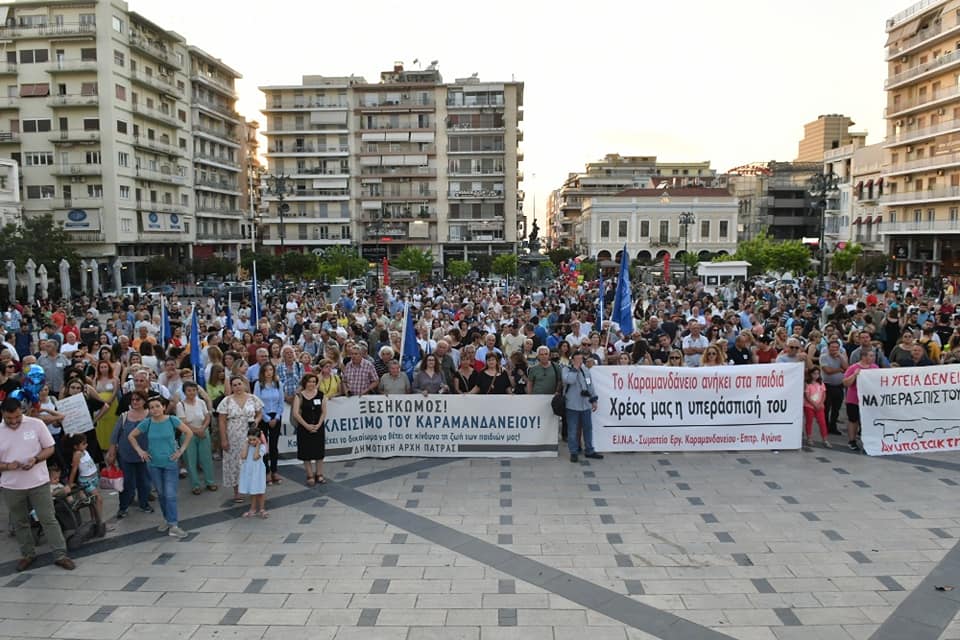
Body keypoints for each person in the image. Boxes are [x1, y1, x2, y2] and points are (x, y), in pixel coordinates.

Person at [0, 396, 76, 571]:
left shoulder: (36, 424)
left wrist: (35, 459)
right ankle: (28, 554)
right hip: (11, 485)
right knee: (20, 522)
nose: (13, 422)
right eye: (9, 418)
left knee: (48, 518)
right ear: (2, 414)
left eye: (17, 417)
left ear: (22, 411)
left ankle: (60, 555)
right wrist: (7, 466)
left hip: (38, 482)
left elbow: (50, 448)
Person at [127, 395, 193, 538]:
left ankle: (174, 525)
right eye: (151, 407)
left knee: (170, 494)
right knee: (162, 494)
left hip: (170, 462)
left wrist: (181, 451)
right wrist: (140, 451)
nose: (155, 409)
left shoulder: (172, 420)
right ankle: (167, 519)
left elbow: (189, 432)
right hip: (154, 464)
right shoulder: (147, 423)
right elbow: (131, 436)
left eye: (158, 406)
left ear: (163, 407)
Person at [106, 390, 153, 519]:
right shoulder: (124, 416)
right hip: (126, 454)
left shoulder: (150, 415)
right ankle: (123, 507)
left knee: (145, 481)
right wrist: (111, 453)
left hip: (145, 454)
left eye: (138, 399)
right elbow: (114, 436)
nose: (135, 402)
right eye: (133, 400)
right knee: (127, 482)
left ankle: (144, 504)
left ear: (144, 401)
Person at [218, 377, 264, 504]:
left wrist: (256, 421)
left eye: (239, 384)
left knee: (252, 460)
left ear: (244, 385)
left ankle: (253, 487)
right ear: (231, 387)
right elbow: (221, 421)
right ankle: (237, 490)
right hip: (233, 435)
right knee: (235, 463)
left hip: (251, 435)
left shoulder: (253, 398)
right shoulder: (226, 401)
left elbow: (260, 413)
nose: (237, 387)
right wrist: (223, 439)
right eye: (234, 385)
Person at [176, 381, 216, 495]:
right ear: (184, 392)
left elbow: (207, 416)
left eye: (194, 390)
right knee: (190, 459)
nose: (192, 393)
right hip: (188, 434)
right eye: (189, 390)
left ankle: (210, 482)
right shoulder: (181, 405)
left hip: (203, 431)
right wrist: (197, 431)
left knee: (206, 458)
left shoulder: (201, 402)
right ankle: (195, 485)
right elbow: (182, 422)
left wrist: (203, 428)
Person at [562, 352, 602, 463]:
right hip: (572, 405)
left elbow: (590, 385)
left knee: (588, 428)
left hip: (585, 404)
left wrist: (594, 400)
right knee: (573, 430)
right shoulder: (566, 369)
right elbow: (569, 380)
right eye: (577, 359)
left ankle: (589, 450)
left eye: (581, 359)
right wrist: (575, 369)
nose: (580, 362)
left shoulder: (585, 370)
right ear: (572, 360)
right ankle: (573, 452)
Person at [292, 372, 327, 486]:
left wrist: (318, 424)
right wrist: (306, 426)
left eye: (314, 382)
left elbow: (324, 412)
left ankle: (319, 474)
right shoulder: (299, 396)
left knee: (319, 452)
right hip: (304, 428)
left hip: (318, 427)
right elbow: (296, 413)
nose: (311, 384)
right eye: (309, 381)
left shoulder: (321, 395)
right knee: (305, 452)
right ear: (305, 383)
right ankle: (310, 474)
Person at [64, 433, 104, 531]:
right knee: (99, 499)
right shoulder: (77, 454)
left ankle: (94, 522)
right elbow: (74, 469)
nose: (86, 445)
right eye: (83, 444)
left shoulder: (85, 451)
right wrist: (70, 483)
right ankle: (100, 522)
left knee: (93, 502)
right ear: (76, 446)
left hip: (93, 478)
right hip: (87, 481)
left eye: (86, 443)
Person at [253, 363, 283, 485]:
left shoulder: (278, 384)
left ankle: (275, 470)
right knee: (264, 446)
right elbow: (257, 403)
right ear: (263, 372)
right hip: (263, 417)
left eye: (271, 370)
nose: (269, 372)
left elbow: (281, 402)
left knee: (274, 445)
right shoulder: (258, 385)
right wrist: (265, 418)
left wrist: (276, 417)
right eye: (266, 370)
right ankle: (266, 472)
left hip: (275, 416)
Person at [842, 347, 877, 452]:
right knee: (853, 420)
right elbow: (845, 383)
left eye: (873, 356)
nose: (873, 358)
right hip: (854, 399)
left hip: (869, 399)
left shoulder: (875, 367)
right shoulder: (853, 368)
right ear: (864, 356)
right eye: (871, 356)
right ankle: (852, 441)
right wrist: (855, 375)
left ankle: (867, 442)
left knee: (867, 421)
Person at [238, 426, 268, 518]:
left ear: (258, 439)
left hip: (258, 472)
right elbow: (243, 456)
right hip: (249, 471)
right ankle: (253, 509)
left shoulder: (262, 447)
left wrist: (258, 445)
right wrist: (246, 444)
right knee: (252, 490)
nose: (252, 442)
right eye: (250, 439)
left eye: (254, 440)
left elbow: (255, 457)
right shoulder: (247, 445)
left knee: (260, 490)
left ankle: (262, 509)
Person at [819, 339, 848, 435]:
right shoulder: (824, 357)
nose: (834, 350)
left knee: (836, 408)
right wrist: (840, 369)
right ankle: (825, 426)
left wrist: (840, 357)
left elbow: (846, 368)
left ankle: (833, 426)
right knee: (826, 408)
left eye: (836, 348)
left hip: (839, 386)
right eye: (832, 348)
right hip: (827, 385)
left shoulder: (841, 356)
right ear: (828, 348)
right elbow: (827, 370)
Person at [803, 366, 829, 448]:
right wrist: (814, 404)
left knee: (822, 423)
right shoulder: (808, 384)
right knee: (809, 422)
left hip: (820, 406)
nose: (816, 375)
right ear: (810, 374)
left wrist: (821, 403)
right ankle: (809, 438)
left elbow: (824, 394)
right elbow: (807, 396)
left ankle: (825, 439)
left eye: (818, 374)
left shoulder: (821, 383)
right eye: (814, 373)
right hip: (809, 406)